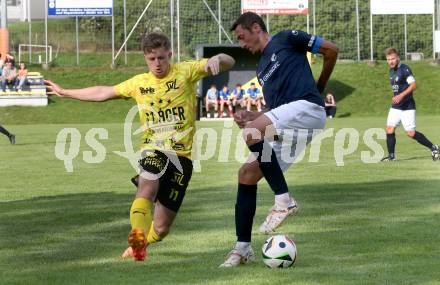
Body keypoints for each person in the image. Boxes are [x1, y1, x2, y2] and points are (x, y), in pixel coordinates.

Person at [45, 32, 235, 262]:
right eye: (152, 59)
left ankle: (144, 241)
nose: (157, 64)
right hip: (153, 149)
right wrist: (66, 92)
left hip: (182, 157)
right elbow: (103, 92)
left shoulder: (186, 71)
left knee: (162, 229)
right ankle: (137, 235)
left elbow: (229, 60)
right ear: (145, 58)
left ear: (170, 55)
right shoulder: (139, 83)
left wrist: (218, 59)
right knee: (147, 185)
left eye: (161, 58)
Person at [220, 12, 338, 267]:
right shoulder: (262, 69)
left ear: (255, 27)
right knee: (247, 174)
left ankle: (284, 200)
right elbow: (276, 110)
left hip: (309, 109)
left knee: (252, 132)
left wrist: (320, 85)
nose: (241, 44)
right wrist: (253, 114)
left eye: (242, 37)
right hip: (293, 121)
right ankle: (242, 249)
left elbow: (331, 50)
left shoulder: (286, 38)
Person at [381, 48, 439, 162]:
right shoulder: (391, 71)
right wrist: (397, 97)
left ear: (398, 57)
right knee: (389, 129)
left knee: (411, 133)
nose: (391, 61)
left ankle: (434, 147)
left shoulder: (404, 69)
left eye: (393, 58)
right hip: (396, 107)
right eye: (388, 59)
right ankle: (391, 156)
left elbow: (413, 85)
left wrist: (401, 96)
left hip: (407, 106)